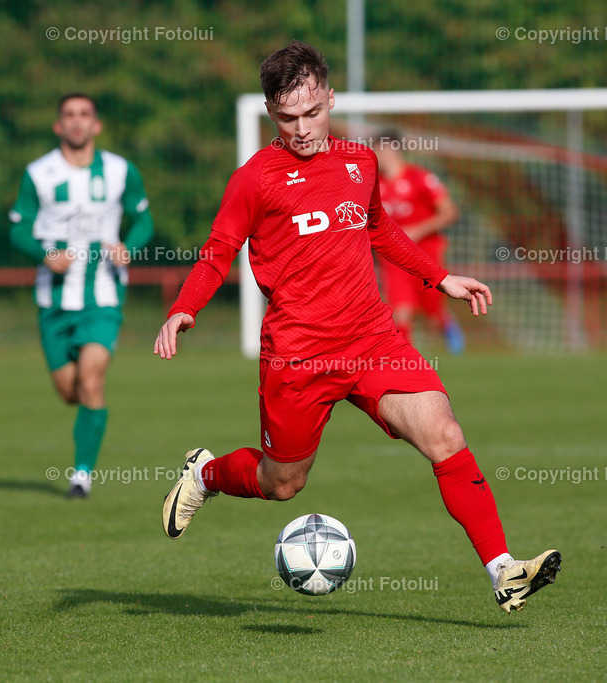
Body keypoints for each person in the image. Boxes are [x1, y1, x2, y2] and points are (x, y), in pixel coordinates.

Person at [155, 41, 560, 613]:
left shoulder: (359, 161)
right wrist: (184, 307)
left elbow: (380, 230)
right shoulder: (254, 178)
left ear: (330, 98)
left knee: (444, 434)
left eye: (312, 113)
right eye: (288, 117)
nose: (302, 128)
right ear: (272, 113)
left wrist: (438, 278)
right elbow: (219, 248)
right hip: (298, 352)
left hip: (372, 338)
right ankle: (207, 475)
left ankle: (503, 570)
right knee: (282, 484)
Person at [9, 93, 154, 498]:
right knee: (71, 391)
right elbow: (17, 229)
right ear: (58, 125)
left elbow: (143, 218)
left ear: (96, 124)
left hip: (103, 295)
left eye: (85, 114)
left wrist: (130, 246)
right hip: (54, 301)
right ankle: (85, 425)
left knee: (92, 380)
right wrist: (43, 253)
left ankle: (82, 476)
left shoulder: (120, 170)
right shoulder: (38, 173)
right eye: (69, 115)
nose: (77, 122)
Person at [373, 129, 465, 353]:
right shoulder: (374, 184)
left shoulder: (420, 177)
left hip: (427, 253)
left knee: (431, 306)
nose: (375, 154)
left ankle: (444, 322)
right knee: (401, 310)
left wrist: (417, 230)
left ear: (394, 150)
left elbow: (450, 212)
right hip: (394, 256)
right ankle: (406, 361)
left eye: (379, 149)